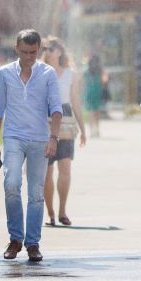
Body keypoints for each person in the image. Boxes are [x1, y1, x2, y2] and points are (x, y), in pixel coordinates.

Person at [0, 29, 63, 262]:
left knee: (36, 193)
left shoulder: (48, 73)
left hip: (40, 139)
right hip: (13, 137)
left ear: (39, 49)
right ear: (16, 49)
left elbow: (56, 108)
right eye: (24, 52)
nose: (29, 56)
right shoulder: (5, 73)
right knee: (11, 183)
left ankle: (32, 243)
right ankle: (15, 239)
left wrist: (54, 138)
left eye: (33, 52)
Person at [41, 36, 87, 227]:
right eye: (46, 49)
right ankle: (50, 213)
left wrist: (83, 129)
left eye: (51, 48)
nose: (48, 51)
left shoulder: (70, 74)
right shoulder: (40, 71)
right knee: (47, 170)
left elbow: (75, 101)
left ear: (60, 51)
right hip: (45, 118)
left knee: (65, 167)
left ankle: (62, 212)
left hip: (66, 119)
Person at [83, 55, 105, 137]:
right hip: (97, 92)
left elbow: (83, 82)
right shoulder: (100, 71)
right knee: (97, 112)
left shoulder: (86, 71)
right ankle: (97, 130)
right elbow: (104, 81)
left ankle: (92, 130)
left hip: (89, 92)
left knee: (91, 112)